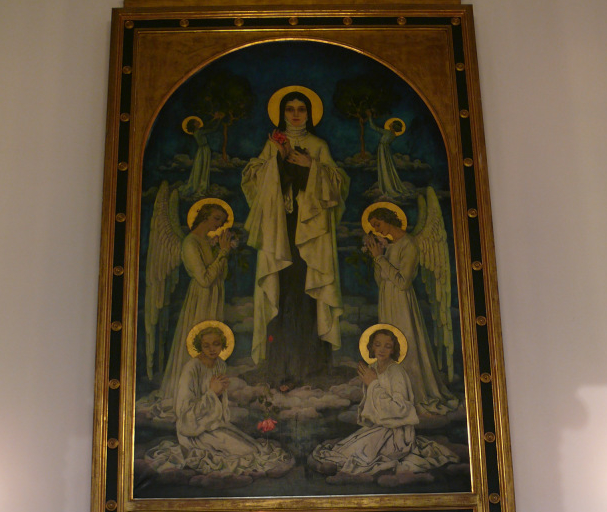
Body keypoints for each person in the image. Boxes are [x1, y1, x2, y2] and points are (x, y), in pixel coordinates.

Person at [242, 89, 349, 386]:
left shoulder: (318, 145)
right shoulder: (272, 144)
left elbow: (338, 186)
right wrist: (277, 158)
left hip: (311, 236)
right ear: (282, 113)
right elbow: (252, 181)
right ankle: (280, 369)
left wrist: (312, 167)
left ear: (309, 113)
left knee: (308, 296)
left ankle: (312, 369)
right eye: (290, 109)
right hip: (281, 232)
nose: (296, 114)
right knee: (282, 295)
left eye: (301, 109)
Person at [147, 322, 294, 481]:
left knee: (255, 448)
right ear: (199, 346)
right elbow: (184, 415)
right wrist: (212, 393)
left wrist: (217, 398)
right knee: (246, 453)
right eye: (206, 345)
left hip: (214, 424)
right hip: (194, 430)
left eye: (216, 344)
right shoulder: (191, 368)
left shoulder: (220, 365)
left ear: (223, 344)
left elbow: (219, 406)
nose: (212, 349)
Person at [310, 327, 457, 479]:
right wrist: (371, 386)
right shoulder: (372, 368)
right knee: (346, 448)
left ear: (393, 350)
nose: (382, 350)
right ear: (371, 346)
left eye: (388, 346)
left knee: (358, 455)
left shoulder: (396, 372)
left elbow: (400, 409)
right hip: (379, 427)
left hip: (397, 432)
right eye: (378, 344)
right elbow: (370, 404)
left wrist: (373, 384)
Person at [364, 208, 457, 414]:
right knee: (389, 340)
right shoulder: (389, 246)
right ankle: (393, 393)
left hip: (401, 302)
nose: (377, 229)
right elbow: (381, 280)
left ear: (388, 220)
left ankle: (413, 393)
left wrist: (380, 259)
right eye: (374, 227)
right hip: (387, 299)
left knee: (406, 341)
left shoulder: (409, 244)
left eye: (378, 224)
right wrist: (377, 256)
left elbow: (403, 282)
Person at [159, 204, 233, 403]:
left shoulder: (207, 242)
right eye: (217, 218)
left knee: (213, 342)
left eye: (222, 221)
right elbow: (204, 279)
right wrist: (222, 253)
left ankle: (210, 393)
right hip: (201, 298)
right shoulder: (190, 243)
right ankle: (191, 396)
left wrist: (221, 251)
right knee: (201, 341)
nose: (219, 225)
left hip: (214, 296)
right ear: (205, 216)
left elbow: (222, 275)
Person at [366, 114, 414, 200]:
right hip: (386, 150)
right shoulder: (393, 135)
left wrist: (369, 117)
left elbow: (374, 127)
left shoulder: (388, 132)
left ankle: (387, 186)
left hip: (382, 149)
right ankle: (388, 184)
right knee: (387, 167)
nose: (390, 124)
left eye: (392, 124)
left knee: (384, 166)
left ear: (393, 126)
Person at [179, 114, 222, 197]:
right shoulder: (199, 132)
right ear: (194, 125)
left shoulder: (197, 131)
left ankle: (200, 185)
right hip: (204, 150)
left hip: (202, 150)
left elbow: (206, 126)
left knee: (202, 167)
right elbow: (212, 129)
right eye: (196, 122)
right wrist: (218, 120)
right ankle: (202, 187)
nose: (198, 122)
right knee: (203, 167)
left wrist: (214, 119)